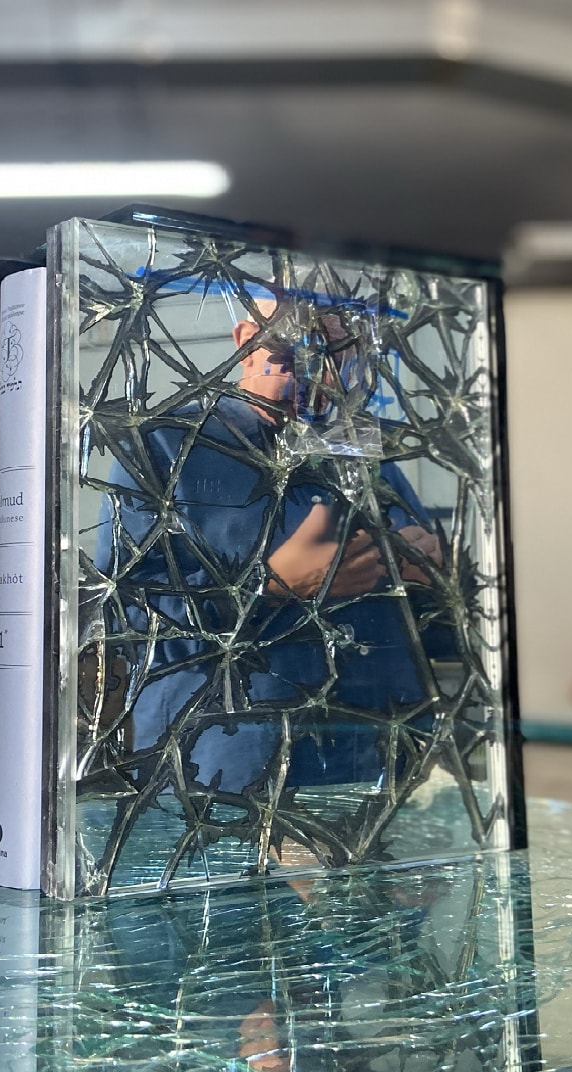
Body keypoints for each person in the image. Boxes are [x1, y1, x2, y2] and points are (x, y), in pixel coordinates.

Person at [93, 288, 451, 809]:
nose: (310, 376)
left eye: (330, 355)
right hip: (225, 779)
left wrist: (426, 578)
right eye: (289, 353)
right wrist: (268, 586)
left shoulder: (356, 452)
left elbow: (434, 613)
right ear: (245, 341)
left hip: (376, 757)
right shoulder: (166, 446)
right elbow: (120, 615)